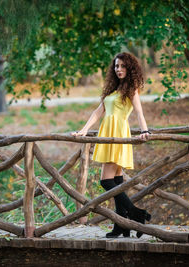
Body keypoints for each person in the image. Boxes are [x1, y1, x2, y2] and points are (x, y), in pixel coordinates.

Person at [71, 52, 151, 238]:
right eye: (116, 66)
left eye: (123, 66)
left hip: (118, 135)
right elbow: (98, 112)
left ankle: (136, 214)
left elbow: (139, 112)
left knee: (106, 181)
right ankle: (121, 225)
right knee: (116, 183)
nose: (119, 69)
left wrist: (144, 131)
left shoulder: (131, 88)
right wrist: (83, 130)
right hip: (107, 134)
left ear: (129, 68)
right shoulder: (114, 88)